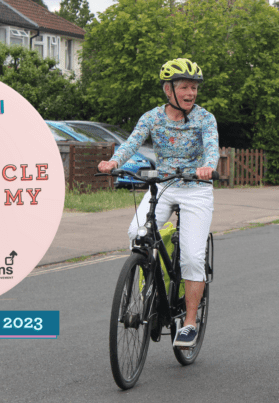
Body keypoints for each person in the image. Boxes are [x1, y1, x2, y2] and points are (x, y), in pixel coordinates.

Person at [97, 58, 218, 347]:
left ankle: (189, 321)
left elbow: (212, 145)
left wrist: (207, 166)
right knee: (136, 233)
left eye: (194, 88)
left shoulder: (204, 118)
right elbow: (131, 142)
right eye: (184, 87)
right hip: (163, 186)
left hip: (196, 189)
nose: (190, 93)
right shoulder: (152, 117)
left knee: (191, 257)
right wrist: (114, 161)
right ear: (168, 90)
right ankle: (153, 282)